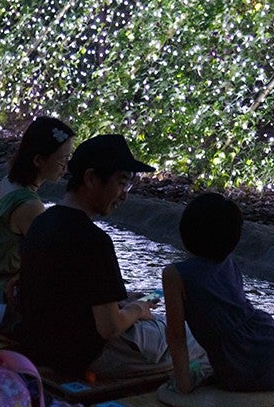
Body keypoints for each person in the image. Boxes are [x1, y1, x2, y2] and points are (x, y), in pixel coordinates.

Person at [17, 134, 206, 379]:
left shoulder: (42, 222)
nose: (124, 195)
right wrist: (138, 308)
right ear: (91, 178)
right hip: (90, 356)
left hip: (44, 348)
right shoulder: (94, 240)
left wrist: (122, 301)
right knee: (197, 334)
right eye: (121, 182)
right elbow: (109, 327)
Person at [162, 192, 274, 399]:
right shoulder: (228, 262)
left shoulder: (174, 274)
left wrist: (183, 385)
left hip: (243, 358)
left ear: (185, 231)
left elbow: (176, 336)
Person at [0, 116, 74, 304]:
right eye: (62, 160)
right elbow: (50, 265)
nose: (66, 168)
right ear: (38, 160)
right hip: (6, 299)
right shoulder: (30, 206)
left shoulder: (5, 184)